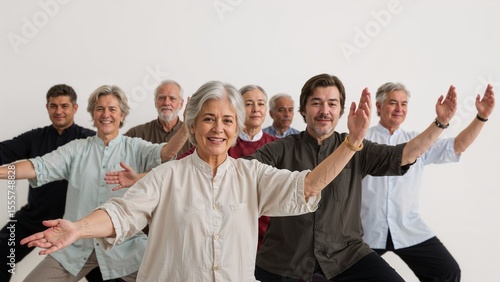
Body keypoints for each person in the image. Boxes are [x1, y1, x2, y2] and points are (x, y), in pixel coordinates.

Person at [18, 79, 371, 282]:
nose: (218, 129)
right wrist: (79, 228)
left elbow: (307, 186)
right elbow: (121, 212)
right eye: (208, 119)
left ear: (236, 128)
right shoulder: (167, 175)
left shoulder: (252, 175)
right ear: (192, 124)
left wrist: (352, 144)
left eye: (228, 121)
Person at [249, 73, 457, 281]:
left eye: (332, 104)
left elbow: (406, 154)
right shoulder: (280, 149)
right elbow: (243, 173)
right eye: (316, 103)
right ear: (303, 109)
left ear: (340, 111)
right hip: (287, 262)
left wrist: (440, 122)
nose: (324, 111)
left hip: (347, 257)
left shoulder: (359, 148)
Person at [0, 85, 182, 281]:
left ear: (122, 115)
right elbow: (37, 167)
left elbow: (167, 153)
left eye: (112, 109)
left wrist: (188, 126)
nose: (106, 114)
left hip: (123, 246)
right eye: (100, 109)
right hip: (73, 244)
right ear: (93, 115)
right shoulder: (76, 148)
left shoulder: (136, 147)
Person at [361, 82, 495, 281]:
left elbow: (457, 146)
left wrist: (482, 117)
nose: (399, 109)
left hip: (408, 228)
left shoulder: (418, 141)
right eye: (393, 103)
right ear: (379, 107)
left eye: (404, 104)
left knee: (447, 272)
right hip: (366, 231)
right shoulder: (361, 140)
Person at [0, 84, 111, 282]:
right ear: (47, 107)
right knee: (0, 251)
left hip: (76, 222)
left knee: (106, 271)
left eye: (64, 106)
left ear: (75, 108)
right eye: (53, 106)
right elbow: (4, 151)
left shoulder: (89, 140)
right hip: (35, 217)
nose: (59, 111)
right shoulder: (34, 138)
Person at [178, 84, 277, 247]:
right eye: (248, 103)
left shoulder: (276, 146)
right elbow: (178, 168)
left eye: (260, 103)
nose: (255, 109)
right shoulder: (219, 144)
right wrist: (140, 177)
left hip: (268, 240)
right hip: (226, 235)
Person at [124, 79, 192, 156]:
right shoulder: (136, 133)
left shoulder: (193, 135)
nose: (166, 103)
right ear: (155, 102)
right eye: (162, 98)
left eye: (172, 98)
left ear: (181, 104)